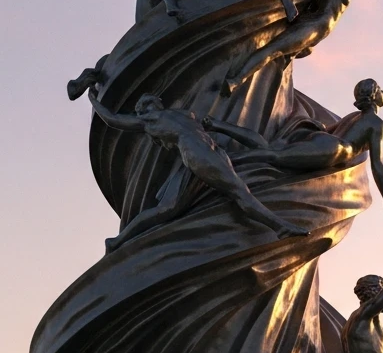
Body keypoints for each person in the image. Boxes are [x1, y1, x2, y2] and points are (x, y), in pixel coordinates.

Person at [87, 88, 307, 252]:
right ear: (143, 109)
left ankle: (116, 241)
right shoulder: (149, 121)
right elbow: (112, 119)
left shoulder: (183, 115)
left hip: (207, 151)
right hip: (196, 153)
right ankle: (279, 226)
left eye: (149, 100)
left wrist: (217, 126)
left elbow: (214, 126)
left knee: (168, 209)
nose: (147, 103)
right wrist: (93, 99)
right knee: (239, 191)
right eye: (144, 104)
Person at [203, 78, 383, 222]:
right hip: (333, 150)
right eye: (381, 90)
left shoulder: (353, 116)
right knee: (273, 156)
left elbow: (327, 129)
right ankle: (229, 158)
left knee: (269, 149)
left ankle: (217, 125)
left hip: (323, 141)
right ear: (374, 95)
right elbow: (377, 164)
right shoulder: (376, 123)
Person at [221, 0, 371, 95]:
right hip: (312, 23)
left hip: (316, 26)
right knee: (279, 57)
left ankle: (236, 80)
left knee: (273, 50)